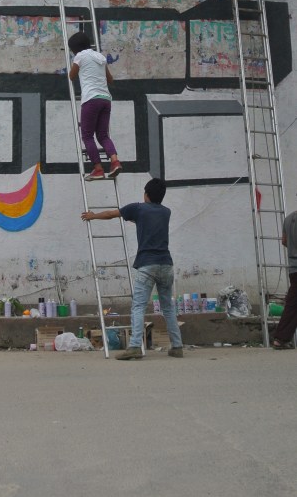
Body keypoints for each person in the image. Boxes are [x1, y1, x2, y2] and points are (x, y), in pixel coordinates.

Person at [82, 177, 184, 360]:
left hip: (147, 264)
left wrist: (93, 216)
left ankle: (135, 345)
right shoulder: (166, 212)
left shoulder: (138, 209)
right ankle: (177, 346)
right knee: (168, 308)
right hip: (166, 264)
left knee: (138, 307)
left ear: (146, 194)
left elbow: (111, 214)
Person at [68, 30, 121, 180]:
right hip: (105, 99)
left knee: (87, 136)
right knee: (103, 135)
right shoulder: (100, 57)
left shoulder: (80, 56)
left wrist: (78, 68)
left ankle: (98, 169)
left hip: (91, 100)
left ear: (75, 49)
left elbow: (71, 76)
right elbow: (110, 80)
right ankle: (115, 161)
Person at [272, 209, 297, 349]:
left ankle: (281, 339)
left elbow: (284, 241)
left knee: (293, 304)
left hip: (294, 267)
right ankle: (280, 338)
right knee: (293, 305)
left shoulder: (288, 218)